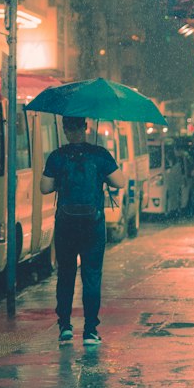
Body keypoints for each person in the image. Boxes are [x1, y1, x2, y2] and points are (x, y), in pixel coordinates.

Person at [40, 115, 125, 346]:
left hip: (66, 224)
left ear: (65, 129)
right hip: (93, 225)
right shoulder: (99, 154)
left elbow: (44, 188)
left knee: (65, 274)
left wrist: (60, 181)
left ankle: (65, 327)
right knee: (91, 276)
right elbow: (120, 182)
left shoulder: (57, 156)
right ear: (86, 127)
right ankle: (90, 331)